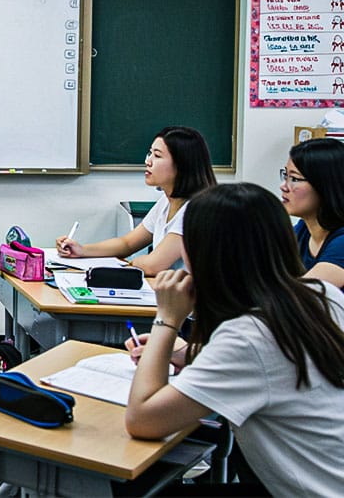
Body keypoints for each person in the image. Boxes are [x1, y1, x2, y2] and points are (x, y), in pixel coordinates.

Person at [124, 183, 344, 495]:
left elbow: (142, 420)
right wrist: (186, 354)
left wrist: (167, 320)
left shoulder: (249, 335)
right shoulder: (321, 295)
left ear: (206, 252)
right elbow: (275, 364)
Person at [55, 126, 215, 275]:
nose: (148, 161)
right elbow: (127, 243)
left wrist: (128, 265)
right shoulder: (166, 202)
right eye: (150, 153)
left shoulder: (194, 210)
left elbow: (153, 265)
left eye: (157, 156)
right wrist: (82, 250)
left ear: (182, 165)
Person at [281, 138, 344, 288]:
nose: (284, 186)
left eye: (295, 178)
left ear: (325, 185)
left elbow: (304, 294)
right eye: (285, 175)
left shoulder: (341, 241)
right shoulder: (303, 230)